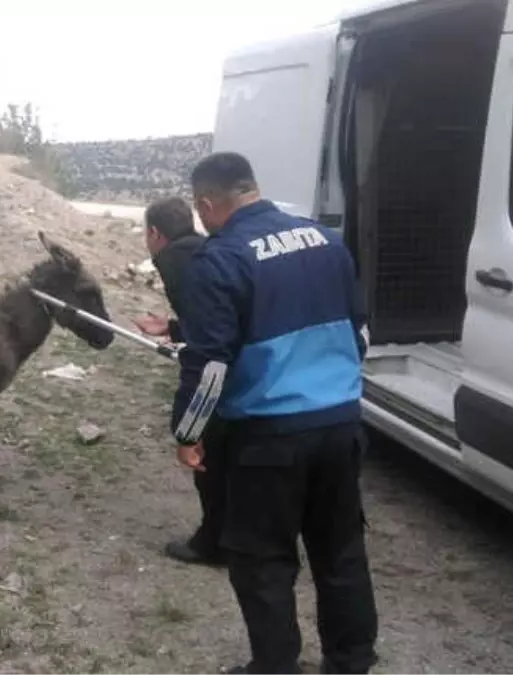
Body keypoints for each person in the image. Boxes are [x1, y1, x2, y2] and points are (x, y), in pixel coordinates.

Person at [170, 152, 378, 675]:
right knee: (341, 553)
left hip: (267, 439)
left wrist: (188, 431)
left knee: (263, 562)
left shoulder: (220, 259)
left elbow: (211, 365)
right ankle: (350, 663)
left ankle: (276, 667)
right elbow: (361, 332)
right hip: (339, 425)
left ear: (206, 204)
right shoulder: (327, 242)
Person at [131, 196, 225, 567]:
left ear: (155, 232)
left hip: (218, 373)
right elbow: (217, 316)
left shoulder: (173, 260)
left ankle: (214, 542)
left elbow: (207, 348)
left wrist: (189, 424)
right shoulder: (207, 247)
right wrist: (172, 327)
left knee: (205, 450)